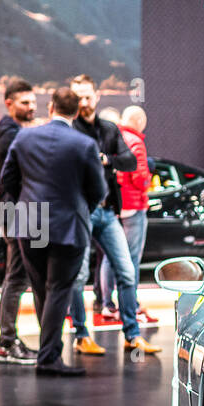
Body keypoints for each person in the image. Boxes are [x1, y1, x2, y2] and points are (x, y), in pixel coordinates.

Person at [0, 88, 107, 376]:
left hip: (30, 222)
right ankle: (48, 357)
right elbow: (98, 190)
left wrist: (28, 202)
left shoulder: (24, 137)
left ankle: (48, 354)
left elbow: (7, 179)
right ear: (75, 112)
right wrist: (80, 206)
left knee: (39, 289)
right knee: (59, 289)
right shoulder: (83, 144)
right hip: (68, 224)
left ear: (50, 107)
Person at [65, 75, 159, 356]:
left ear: (96, 96)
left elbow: (130, 161)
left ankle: (132, 335)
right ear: (72, 99)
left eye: (88, 96)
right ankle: (81, 335)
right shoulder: (69, 131)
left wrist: (106, 159)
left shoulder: (108, 129)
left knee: (127, 272)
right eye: (78, 97)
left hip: (107, 212)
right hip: (80, 212)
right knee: (79, 276)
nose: (84, 101)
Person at [0, 79, 40, 365]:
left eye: (33, 102)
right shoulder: (10, 135)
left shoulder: (15, 133)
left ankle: (9, 341)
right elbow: (15, 177)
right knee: (17, 278)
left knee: (21, 278)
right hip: (18, 212)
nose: (31, 107)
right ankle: (7, 342)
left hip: (26, 211)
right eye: (25, 103)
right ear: (9, 104)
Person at [102, 105, 154, 328]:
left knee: (109, 256)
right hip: (133, 206)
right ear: (140, 122)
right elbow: (139, 177)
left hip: (116, 203)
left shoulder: (114, 137)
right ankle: (130, 306)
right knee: (131, 259)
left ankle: (108, 304)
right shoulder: (135, 141)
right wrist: (147, 184)